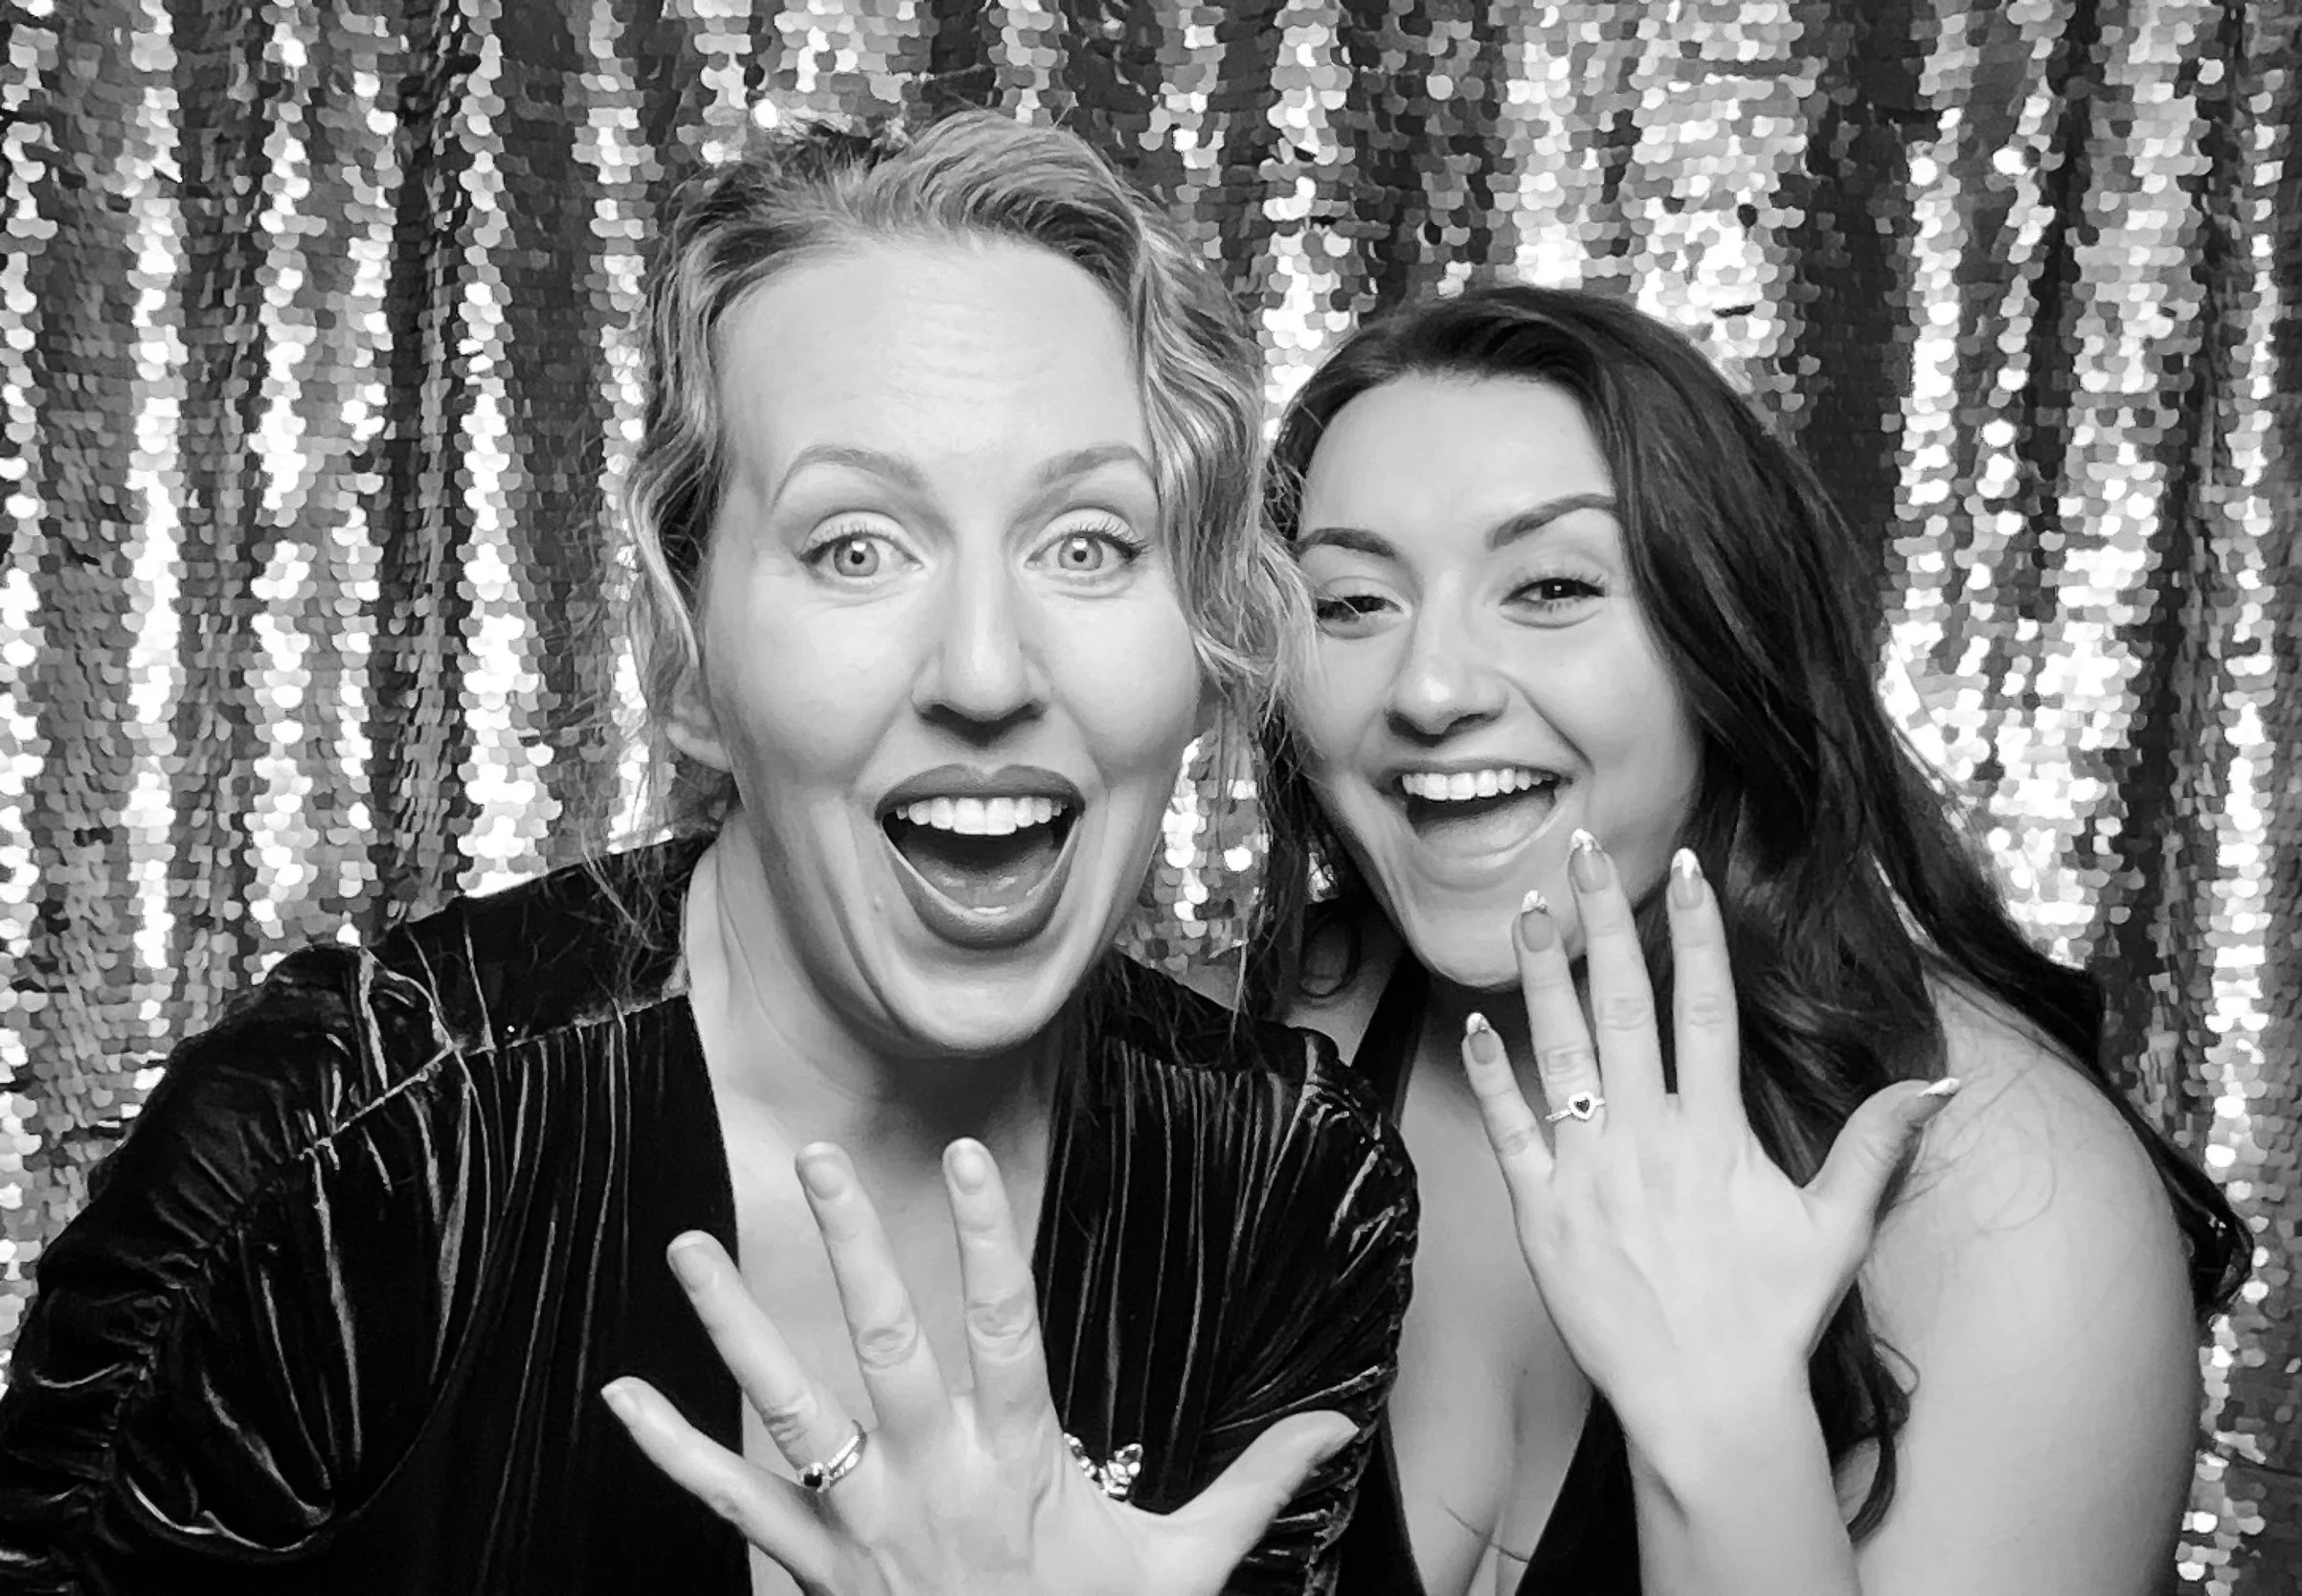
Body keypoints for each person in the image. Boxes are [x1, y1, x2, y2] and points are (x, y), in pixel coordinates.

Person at [0, 113, 1415, 1596]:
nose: (986, 670)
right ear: (689, 662)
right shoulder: (343, 1153)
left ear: (1206, 644)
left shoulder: (1289, 1189)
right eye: (856, 547)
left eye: (1089, 544)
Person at [1239, 281, 2251, 1595]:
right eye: (1351, 603)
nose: (1430, 689)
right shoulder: (1234, 1071)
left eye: (1551, 587)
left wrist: (1721, 1428)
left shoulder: (2013, 1197)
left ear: (1725, 641)